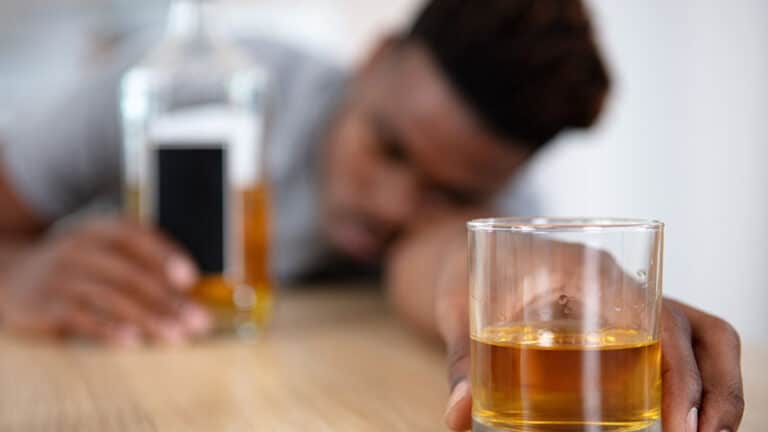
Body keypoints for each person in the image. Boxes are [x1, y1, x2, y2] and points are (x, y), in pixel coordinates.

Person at [0, 1, 743, 431]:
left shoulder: (507, 215)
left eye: (449, 194)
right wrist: (17, 272)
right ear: (375, 57)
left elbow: (447, 266)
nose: (394, 207)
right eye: (387, 146)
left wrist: (545, 280)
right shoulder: (199, 84)